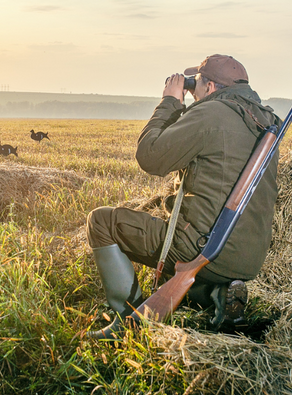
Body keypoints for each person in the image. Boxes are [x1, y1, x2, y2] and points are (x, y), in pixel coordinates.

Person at [86, 54, 281, 338]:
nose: (193, 90)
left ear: (211, 87)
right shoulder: (265, 120)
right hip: (246, 258)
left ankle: (128, 318)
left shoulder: (213, 113)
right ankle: (218, 294)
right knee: (170, 278)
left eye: (197, 84)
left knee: (101, 222)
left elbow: (151, 157)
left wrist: (170, 103)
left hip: (202, 248)